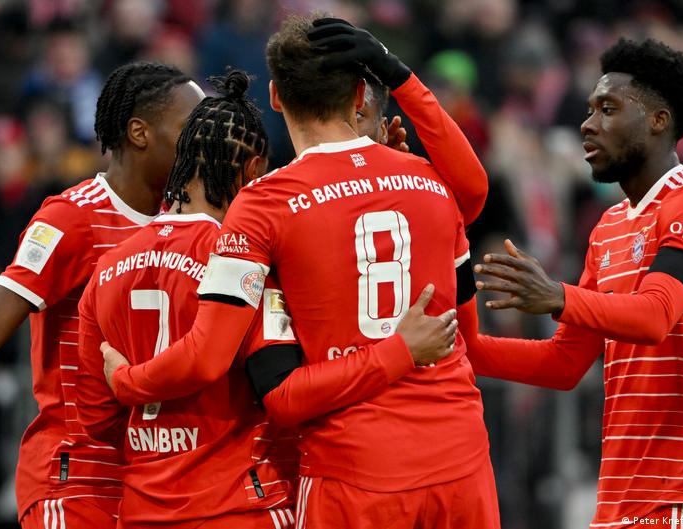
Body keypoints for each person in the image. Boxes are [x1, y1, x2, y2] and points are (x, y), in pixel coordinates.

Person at [100, 15, 499, 529]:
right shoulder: (432, 180)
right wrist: (399, 75)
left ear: (275, 96)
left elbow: (220, 363)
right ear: (361, 95)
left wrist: (127, 380)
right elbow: (475, 189)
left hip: (354, 476)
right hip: (462, 464)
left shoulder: (263, 204)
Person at [467, 38, 683, 528]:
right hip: (622, 491)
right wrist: (463, 351)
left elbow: (655, 316)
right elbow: (564, 363)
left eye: (608, 109)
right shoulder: (609, 226)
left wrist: (558, 296)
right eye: (590, 109)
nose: (587, 123)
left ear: (658, 121)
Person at [0, 62, 204, 529]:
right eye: (190, 129)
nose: (203, 144)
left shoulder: (192, 222)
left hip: (157, 478)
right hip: (76, 479)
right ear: (139, 133)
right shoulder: (71, 219)